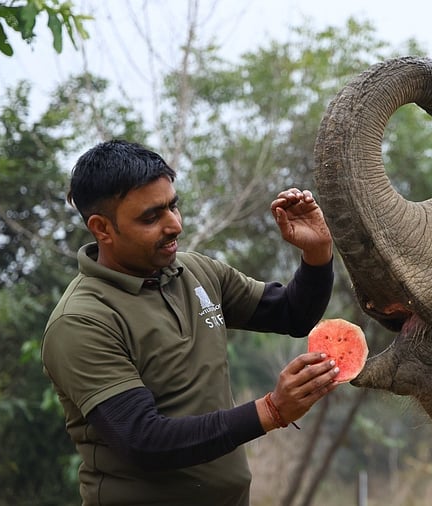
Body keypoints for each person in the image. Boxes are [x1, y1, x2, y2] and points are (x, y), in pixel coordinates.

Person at [41, 139, 339, 505]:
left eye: (173, 206)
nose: (174, 225)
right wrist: (271, 410)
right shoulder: (83, 321)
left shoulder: (196, 272)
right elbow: (143, 441)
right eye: (151, 217)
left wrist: (317, 252)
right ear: (102, 228)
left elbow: (293, 313)